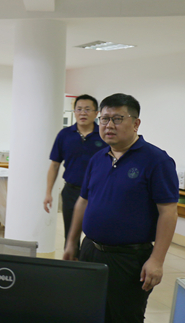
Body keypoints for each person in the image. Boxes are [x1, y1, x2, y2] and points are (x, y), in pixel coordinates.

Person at [63, 93, 178, 323]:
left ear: (136, 123)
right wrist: (72, 242)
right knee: (87, 311)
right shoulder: (98, 158)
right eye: (104, 119)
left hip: (129, 259)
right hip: (90, 251)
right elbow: (83, 201)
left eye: (117, 119)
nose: (109, 125)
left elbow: (168, 212)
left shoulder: (157, 161)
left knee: (124, 317)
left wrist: (157, 260)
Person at [43, 94, 103, 245]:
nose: (83, 113)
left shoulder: (104, 135)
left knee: (97, 235)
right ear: (74, 112)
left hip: (98, 192)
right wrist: (48, 193)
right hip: (71, 191)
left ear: (96, 113)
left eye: (87, 109)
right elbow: (54, 165)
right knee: (71, 236)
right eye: (79, 109)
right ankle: (73, 259)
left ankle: (90, 260)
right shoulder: (64, 135)